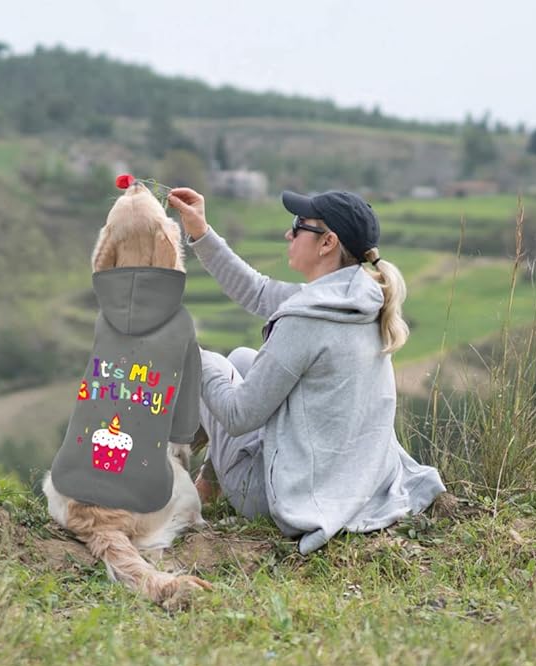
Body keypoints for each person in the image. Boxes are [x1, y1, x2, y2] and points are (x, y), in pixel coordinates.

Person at [167, 186, 446, 555]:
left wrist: (192, 357)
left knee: (213, 364)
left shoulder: (306, 320)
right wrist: (201, 232)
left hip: (281, 497)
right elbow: (256, 291)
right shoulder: (357, 299)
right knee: (243, 358)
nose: (289, 233)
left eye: (299, 225)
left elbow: (238, 416)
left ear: (327, 242)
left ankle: (156, 478)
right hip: (350, 482)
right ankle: (207, 482)